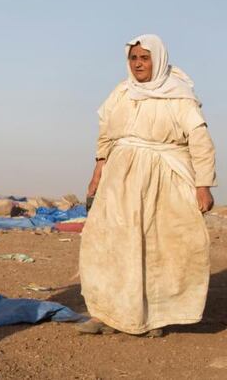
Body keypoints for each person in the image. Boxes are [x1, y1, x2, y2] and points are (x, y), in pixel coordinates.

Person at [78, 34, 216, 337]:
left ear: (158, 59)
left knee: (161, 245)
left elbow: (200, 140)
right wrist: (97, 173)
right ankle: (106, 314)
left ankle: (157, 316)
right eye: (134, 58)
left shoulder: (180, 95)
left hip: (165, 176)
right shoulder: (122, 93)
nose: (138, 64)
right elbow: (106, 137)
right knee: (110, 243)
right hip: (120, 178)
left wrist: (203, 184)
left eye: (145, 57)